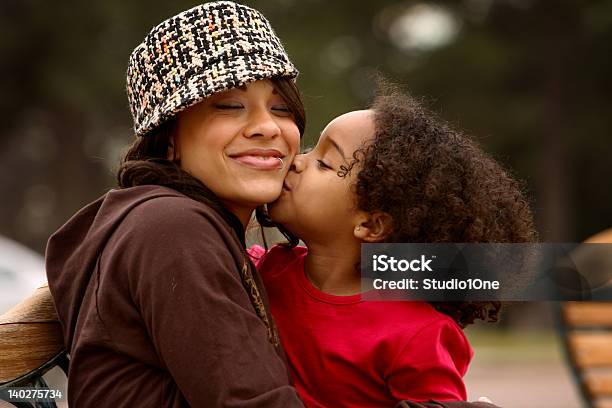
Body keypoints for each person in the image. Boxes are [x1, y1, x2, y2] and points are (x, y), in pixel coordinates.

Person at [45, 2, 306, 406]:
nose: (268, 127)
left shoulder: (166, 219)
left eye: (281, 108)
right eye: (230, 106)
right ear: (169, 139)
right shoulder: (174, 227)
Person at [250, 85, 537, 407]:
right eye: (310, 150)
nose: (297, 161)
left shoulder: (417, 333)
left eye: (324, 163)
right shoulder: (264, 270)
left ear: (371, 224)